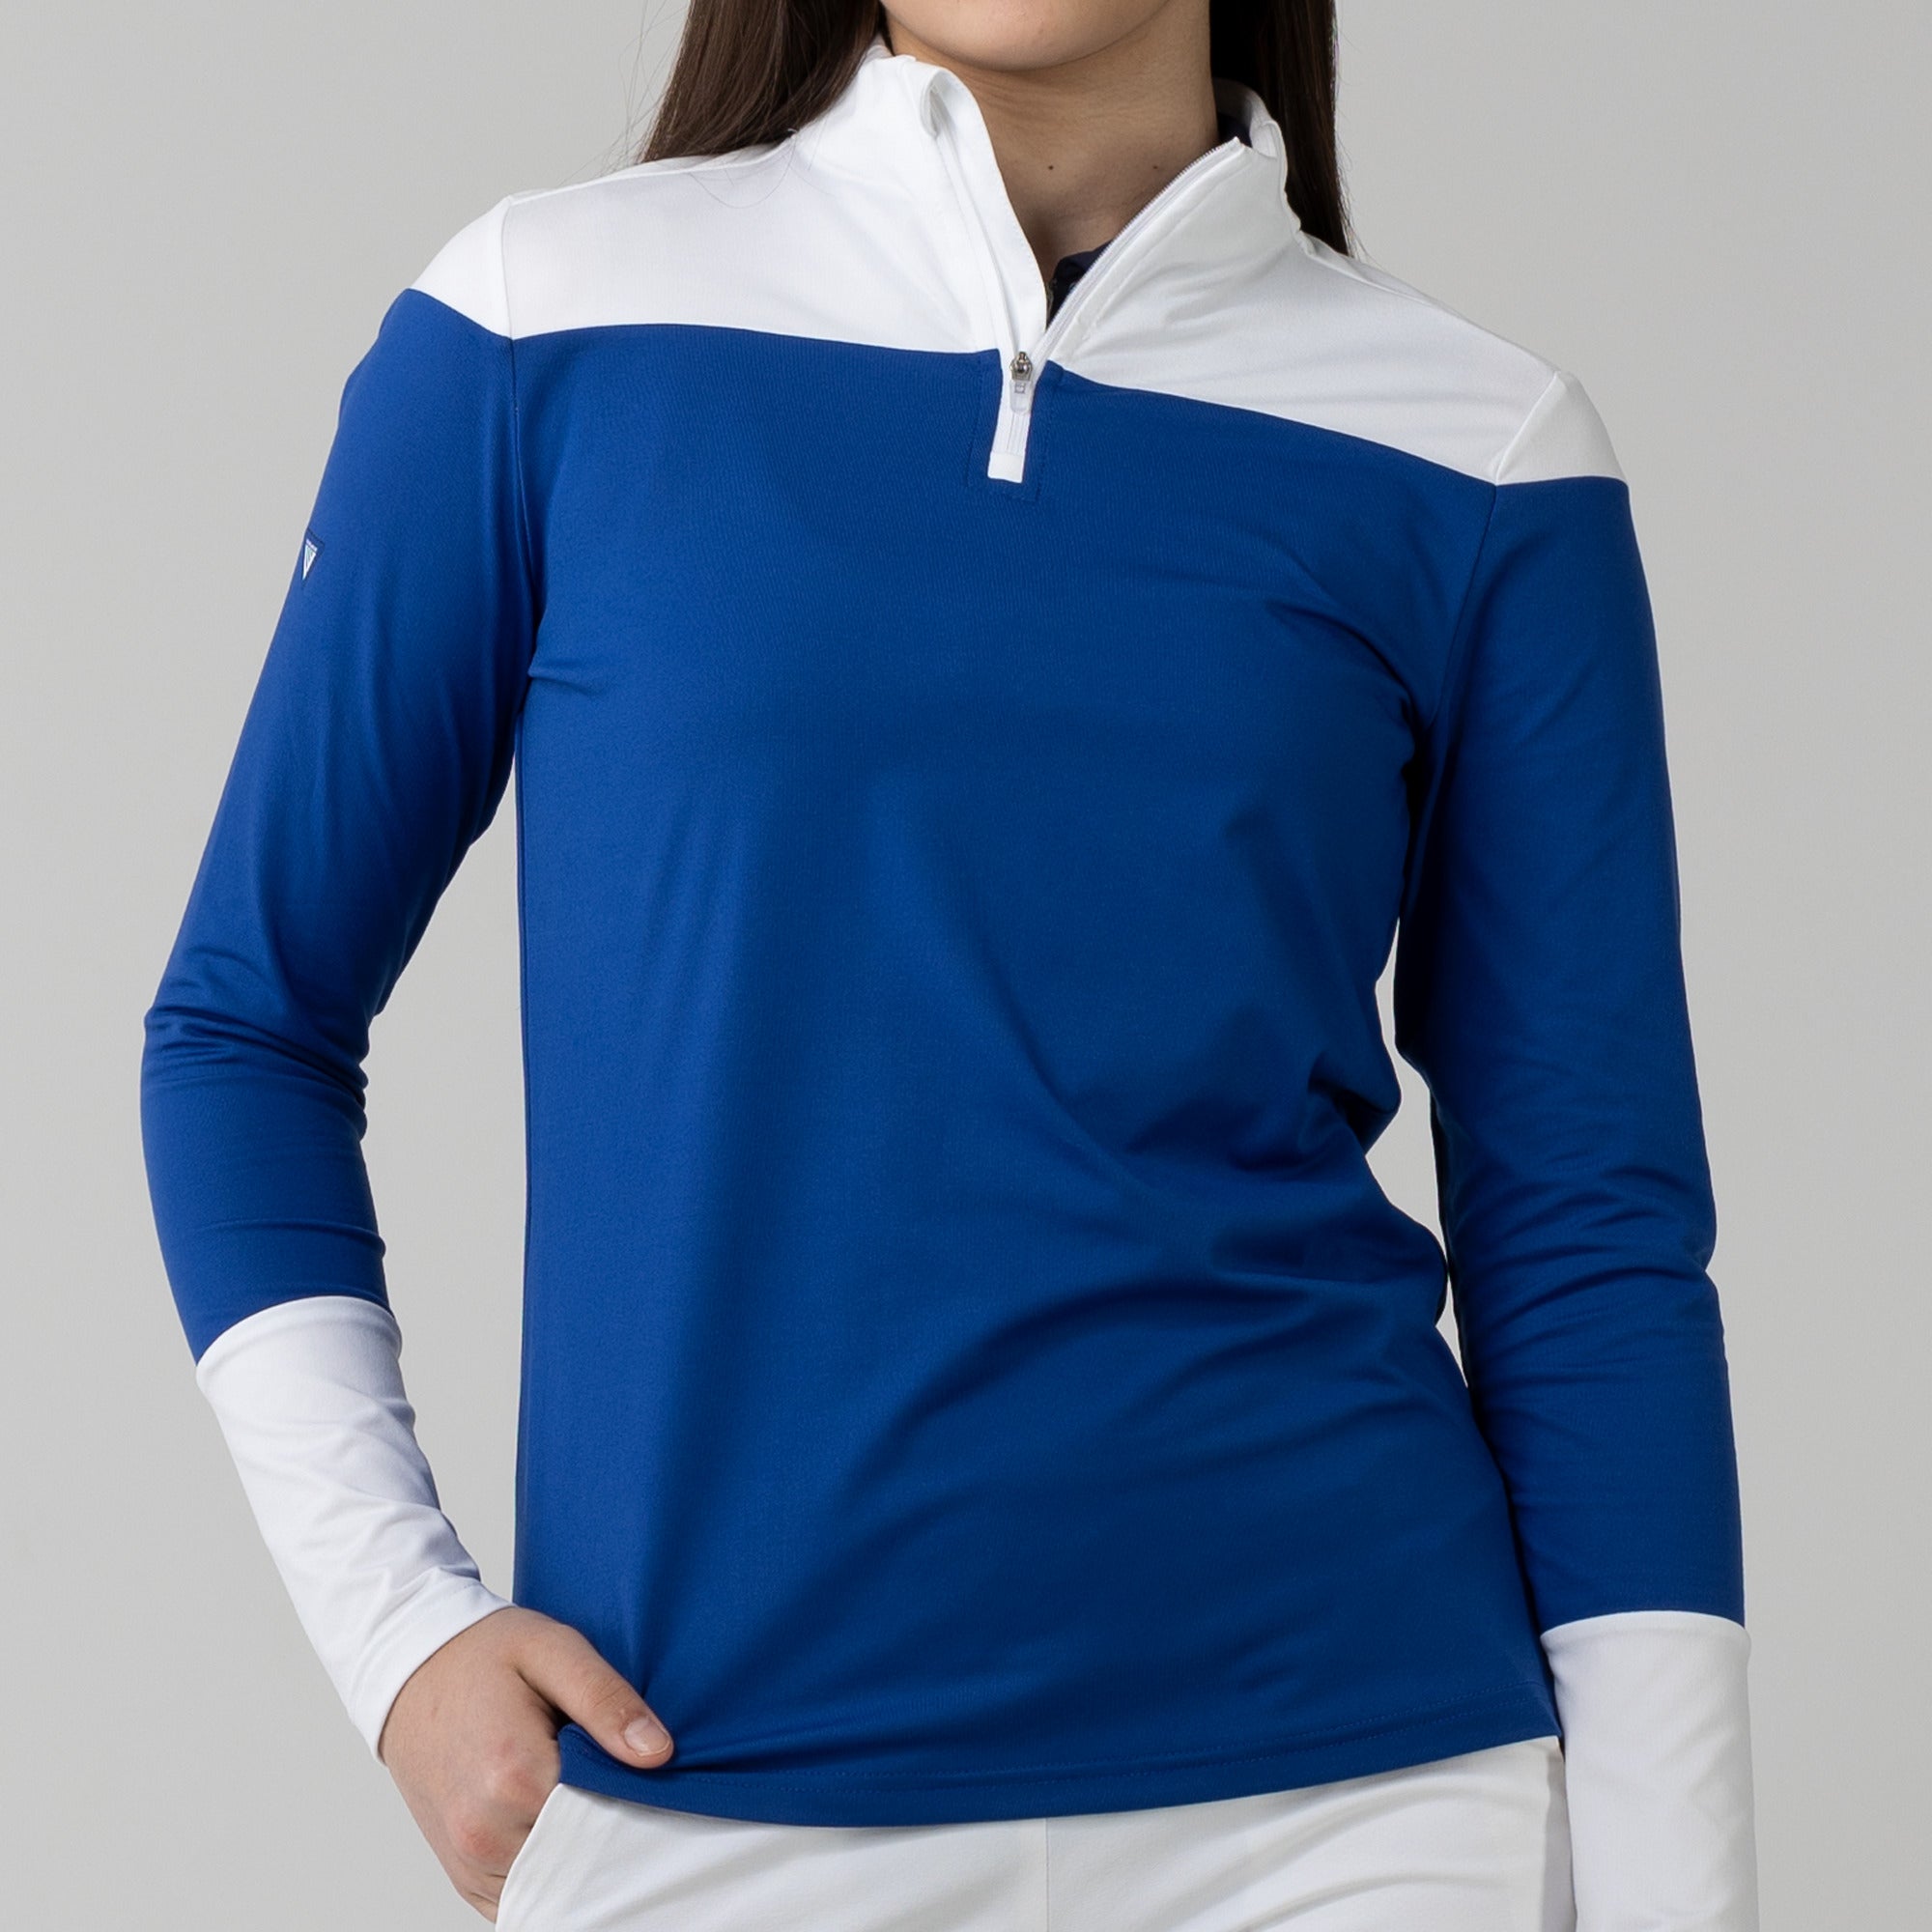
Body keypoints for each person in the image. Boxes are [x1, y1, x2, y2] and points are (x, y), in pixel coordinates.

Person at [139, 1, 1759, 1925]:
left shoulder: (1475, 446)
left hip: (1362, 1803)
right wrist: (397, 1634)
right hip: (710, 1791)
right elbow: (244, 1026)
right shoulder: (543, 326)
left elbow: (1587, 1235)